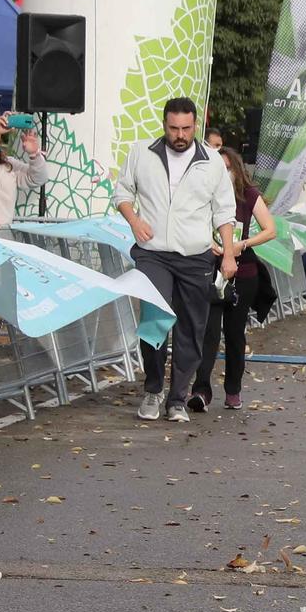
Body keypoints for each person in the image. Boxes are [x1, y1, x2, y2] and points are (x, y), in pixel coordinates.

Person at [114, 97, 238, 424]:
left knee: (191, 328)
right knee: (155, 318)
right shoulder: (142, 152)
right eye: (173, 128)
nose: (179, 135)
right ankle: (153, 389)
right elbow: (123, 193)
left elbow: (224, 211)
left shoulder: (211, 161)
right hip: (153, 252)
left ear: (195, 125)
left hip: (195, 256)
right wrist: (134, 220)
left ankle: (178, 398)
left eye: (185, 128)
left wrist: (227, 253)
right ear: (164, 124)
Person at [193, 147, 277, 409]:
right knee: (208, 331)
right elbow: (193, 223)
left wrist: (242, 244)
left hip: (244, 274)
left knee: (234, 333)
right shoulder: (205, 195)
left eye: (227, 167)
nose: (223, 173)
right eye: (219, 166)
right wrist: (209, 243)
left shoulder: (249, 195)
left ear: (236, 170)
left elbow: (270, 230)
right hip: (212, 270)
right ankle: (201, 390)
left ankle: (233, 390)